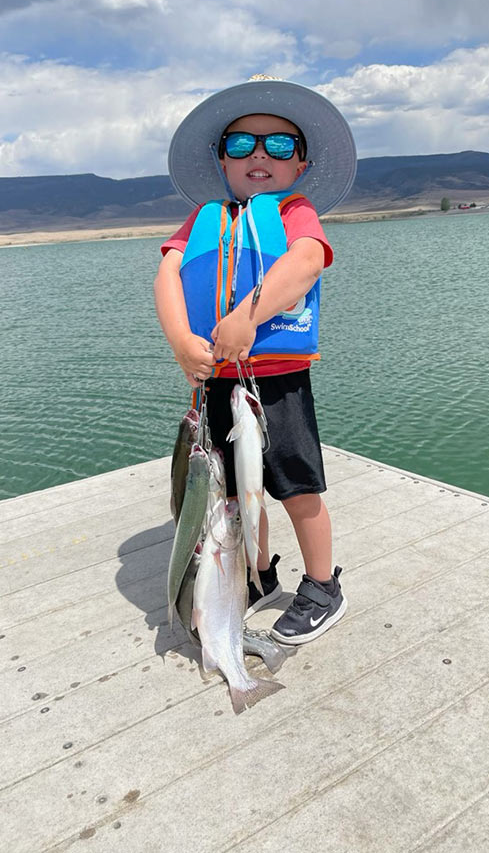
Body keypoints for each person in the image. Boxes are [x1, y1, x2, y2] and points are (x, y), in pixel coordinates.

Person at [154, 75, 356, 645]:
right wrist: (179, 342)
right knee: (235, 494)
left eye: (279, 146)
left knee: (296, 486)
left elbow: (308, 261)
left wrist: (248, 315)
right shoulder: (201, 221)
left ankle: (322, 586)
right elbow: (168, 274)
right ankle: (257, 572)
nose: (260, 155)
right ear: (222, 160)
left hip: (278, 382)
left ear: (301, 165)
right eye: (242, 145)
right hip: (216, 381)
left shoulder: (296, 212)